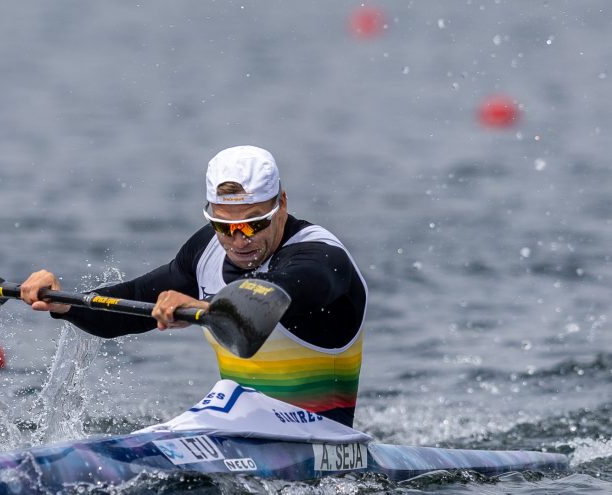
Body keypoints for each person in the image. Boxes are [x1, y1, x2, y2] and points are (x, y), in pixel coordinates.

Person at [20, 146, 367, 427]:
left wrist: (203, 308)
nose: (238, 240)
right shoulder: (205, 251)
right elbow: (134, 301)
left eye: (253, 225)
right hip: (238, 426)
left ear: (282, 206)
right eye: (223, 226)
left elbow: (276, 293)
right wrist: (63, 303)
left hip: (323, 437)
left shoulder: (320, 257)